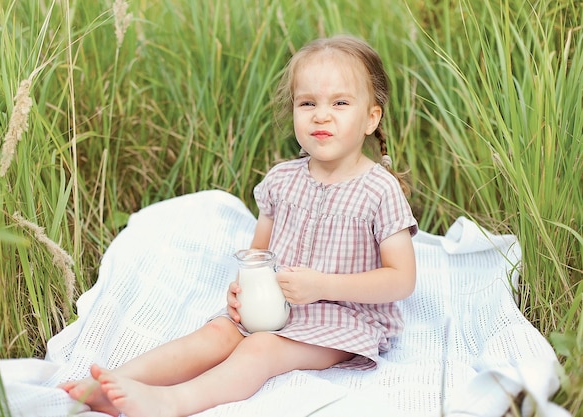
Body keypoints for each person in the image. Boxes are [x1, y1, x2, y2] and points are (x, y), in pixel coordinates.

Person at [60, 34, 418, 417]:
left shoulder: (378, 189)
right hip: (279, 306)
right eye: (307, 102)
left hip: (345, 317)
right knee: (215, 333)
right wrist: (241, 290)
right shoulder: (282, 180)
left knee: (259, 349)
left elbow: (401, 279)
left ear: (371, 118)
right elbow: (257, 257)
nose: (321, 114)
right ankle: (114, 382)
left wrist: (323, 286)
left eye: (340, 103)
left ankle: (172, 402)